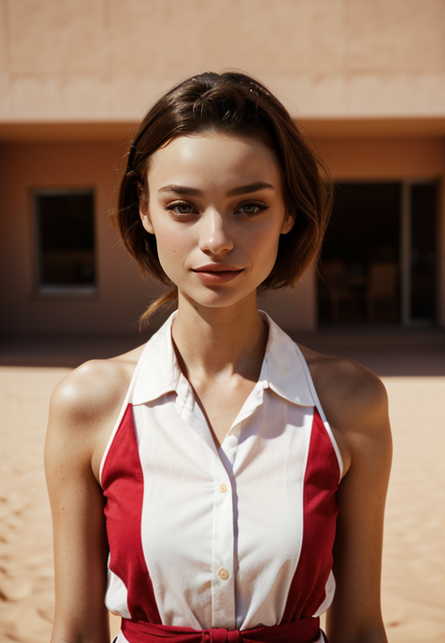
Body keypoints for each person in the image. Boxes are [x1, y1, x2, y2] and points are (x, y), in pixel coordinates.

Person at [45, 71, 392, 643]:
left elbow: (359, 626)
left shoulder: (351, 402)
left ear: (288, 213)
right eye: (183, 206)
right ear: (145, 211)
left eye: (249, 206)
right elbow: (76, 631)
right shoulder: (89, 404)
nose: (217, 239)